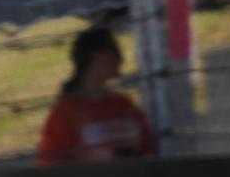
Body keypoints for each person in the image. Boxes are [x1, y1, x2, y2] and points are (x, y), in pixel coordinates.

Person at [34, 19, 156, 165]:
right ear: (97, 56)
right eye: (115, 52)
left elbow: (149, 149)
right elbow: (49, 165)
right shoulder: (65, 114)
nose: (121, 59)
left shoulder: (124, 105)